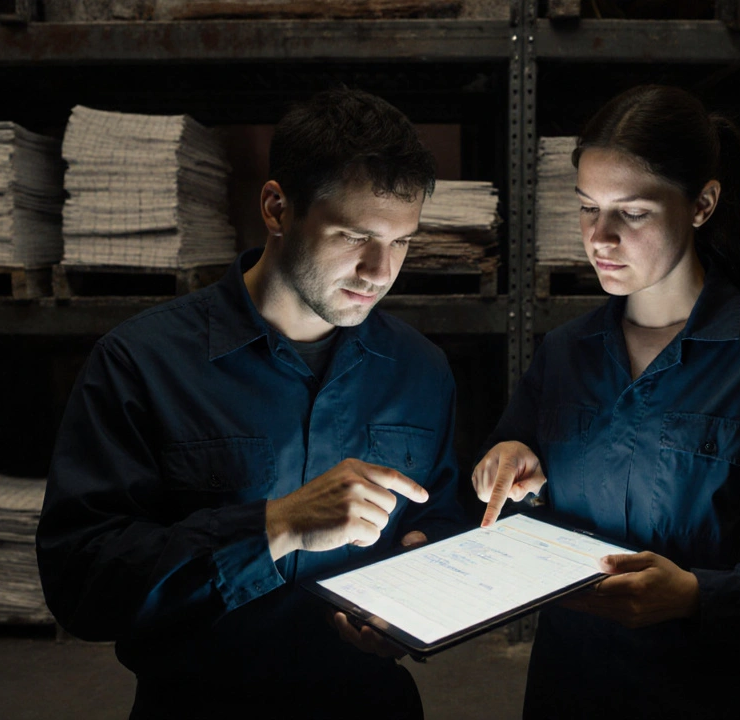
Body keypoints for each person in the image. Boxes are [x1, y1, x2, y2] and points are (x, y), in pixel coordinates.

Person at [37, 88, 465, 719]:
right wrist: (274, 526)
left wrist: (416, 585)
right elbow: (82, 582)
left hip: (370, 702)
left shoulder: (421, 371)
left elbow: (445, 521)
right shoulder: (142, 362)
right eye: (354, 235)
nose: (379, 269)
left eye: (401, 242)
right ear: (276, 208)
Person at [473, 85, 740, 718]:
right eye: (588, 208)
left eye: (632, 213)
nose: (601, 238)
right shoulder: (565, 353)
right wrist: (504, 459)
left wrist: (698, 595)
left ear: (703, 204)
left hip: (708, 692)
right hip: (570, 684)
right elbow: (510, 484)